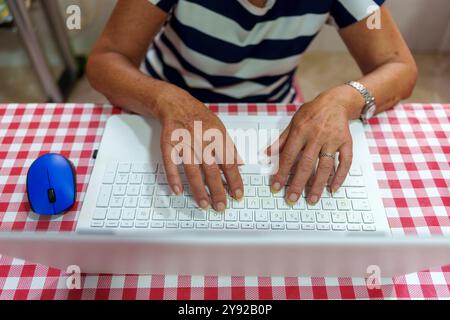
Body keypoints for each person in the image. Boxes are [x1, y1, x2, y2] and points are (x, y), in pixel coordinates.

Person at [86, 0, 417, 212]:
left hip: (273, 108)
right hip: (166, 105)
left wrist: (344, 99)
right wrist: (165, 99)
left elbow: (399, 66)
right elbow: (106, 59)